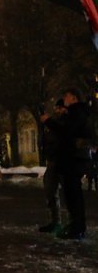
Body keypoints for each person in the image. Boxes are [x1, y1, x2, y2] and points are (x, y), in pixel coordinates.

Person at [41, 89, 92, 240]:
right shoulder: (77, 113)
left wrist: (48, 121)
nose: (64, 99)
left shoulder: (77, 113)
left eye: (67, 97)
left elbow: (66, 132)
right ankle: (75, 226)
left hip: (73, 158)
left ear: (74, 98)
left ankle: (76, 227)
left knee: (73, 194)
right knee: (70, 194)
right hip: (70, 158)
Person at [39, 99, 66, 233]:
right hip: (52, 161)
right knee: (50, 191)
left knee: (68, 193)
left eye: (60, 108)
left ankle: (71, 223)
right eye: (56, 108)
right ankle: (55, 221)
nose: (57, 110)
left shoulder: (65, 122)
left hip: (63, 161)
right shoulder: (53, 125)